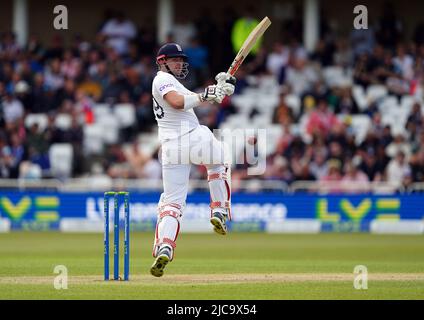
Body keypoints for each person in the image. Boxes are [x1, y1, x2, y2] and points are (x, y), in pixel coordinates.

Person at [149, 43, 236, 277]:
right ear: (161, 62)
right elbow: (178, 102)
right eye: (174, 60)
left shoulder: (174, 83)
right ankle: (219, 210)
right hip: (192, 138)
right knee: (220, 160)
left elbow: (192, 100)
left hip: (170, 149)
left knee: (172, 203)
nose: (179, 63)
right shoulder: (161, 80)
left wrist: (219, 89)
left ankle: (165, 245)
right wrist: (207, 94)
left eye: (181, 60)